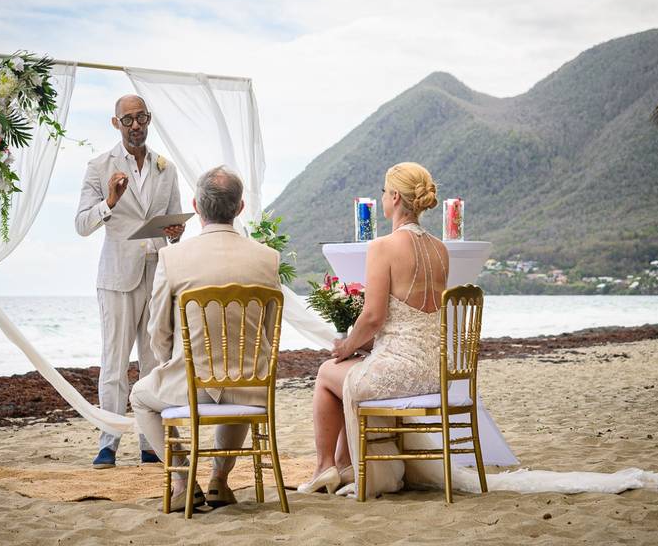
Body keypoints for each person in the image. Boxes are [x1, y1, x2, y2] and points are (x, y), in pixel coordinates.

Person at [130, 166, 281, 512]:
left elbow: (159, 330)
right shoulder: (268, 259)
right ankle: (219, 479)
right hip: (251, 384)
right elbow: (268, 331)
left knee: (140, 396)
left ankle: (183, 480)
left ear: (196, 207)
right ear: (240, 207)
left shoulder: (173, 258)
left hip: (192, 385)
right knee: (235, 379)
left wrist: (167, 364)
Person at [299, 162, 448, 497]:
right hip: (433, 371)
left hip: (399, 372)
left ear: (395, 197)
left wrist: (348, 347)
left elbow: (373, 318)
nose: (382, 198)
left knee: (327, 372)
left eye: (384, 192)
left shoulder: (383, 246)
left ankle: (326, 467)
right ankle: (346, 463)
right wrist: (367, 349)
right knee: (349, 372)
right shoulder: (440, 250)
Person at [75, 94, 185, 469]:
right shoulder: (98, 166)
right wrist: (109, 200)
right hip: (117, 277)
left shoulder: (165, 168)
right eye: (128, 120)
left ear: (149, 120)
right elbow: (82, 225)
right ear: (115, 124)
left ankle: (149, 443)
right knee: (114, 363)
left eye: (142, 118)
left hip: (156, 276)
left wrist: (175, 232)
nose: (136, 125)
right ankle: (108, 442)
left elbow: (174, 224)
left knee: (154, 362)